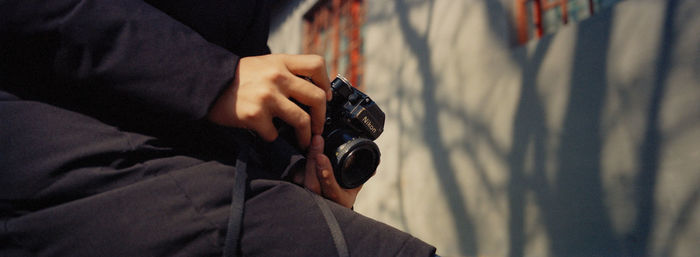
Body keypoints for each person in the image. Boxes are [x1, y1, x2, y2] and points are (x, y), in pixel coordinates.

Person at [0, 0, 436, 256]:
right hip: (60, 141)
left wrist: (298, 171)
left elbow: (240, 62)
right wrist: (216, 78)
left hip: (198, 155)